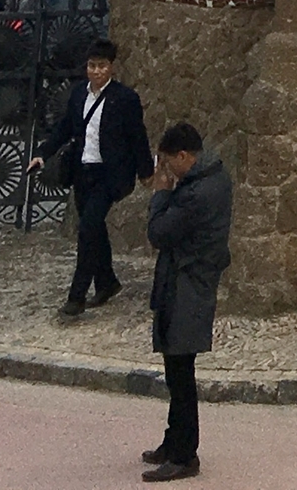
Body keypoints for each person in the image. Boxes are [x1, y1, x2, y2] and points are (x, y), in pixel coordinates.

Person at [32, 35, 154, 319]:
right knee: (94, 229)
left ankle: (76, 297)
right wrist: (42, 153)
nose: (97, 71)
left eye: (102, 66)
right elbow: (63, 129)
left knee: (87, 230)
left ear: (111, 67)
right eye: (92, 65)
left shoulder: (125, 99)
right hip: (82, 172)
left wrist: (145, 171)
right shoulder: (78, 95)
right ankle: (107, 281)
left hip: (109, 176)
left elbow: (138, 137)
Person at [144, 121, 232, 482]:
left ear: (185, 156)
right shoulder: (214, 177)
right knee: (175, 369)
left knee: (181, 373)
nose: (167, 170)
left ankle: (185, 454)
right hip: (187, 283)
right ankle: (173, 440)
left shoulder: (195, 194)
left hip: (187, 287)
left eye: (169, 162)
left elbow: (159, 233)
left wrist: (161, 193)